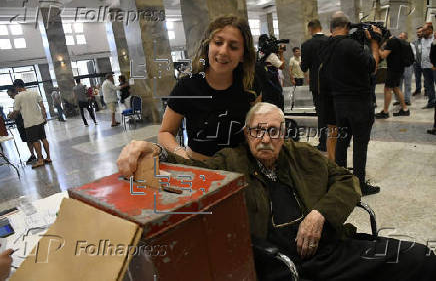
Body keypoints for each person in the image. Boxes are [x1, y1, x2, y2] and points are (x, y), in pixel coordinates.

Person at [117, 102, 436, 281]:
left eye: (273, 131)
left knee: (419, 258)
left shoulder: (303, 155)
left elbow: (347, 181)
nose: (265, 139)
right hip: (283, 263)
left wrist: (320, 212)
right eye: (257, 131)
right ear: (247, 133)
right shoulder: (230, 161)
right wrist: (150, 148)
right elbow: (187, 171)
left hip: (331, 247)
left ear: (284, 134)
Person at [159, 16, 257, 160]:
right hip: (201, 168)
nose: (223, 51)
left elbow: (258, 129)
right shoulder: (186, 87)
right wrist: (182, 154)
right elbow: (165, 132)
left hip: (241, 167)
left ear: (243, 55)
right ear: (208, 46)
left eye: (233, 47)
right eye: (218, 42)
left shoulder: (250, 85)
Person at [320, 12, 380, 195]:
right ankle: (359, 185)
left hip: (339, 103)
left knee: (341, 143)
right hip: (359, 103)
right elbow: (373, 66)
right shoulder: (351, 46)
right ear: (347, 26)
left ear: (332, 28)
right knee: (360, 145)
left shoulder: (326, 46)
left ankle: (341, 182)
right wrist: (375, 42)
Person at [8, 79, 51, 169]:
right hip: (39, 121)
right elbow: (42, 106)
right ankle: (48, 157)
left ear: (16, 87)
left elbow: (16, 112)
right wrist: (44, 117)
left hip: (29, 122)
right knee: (43, 139)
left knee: (35, 141)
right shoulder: (34, 92)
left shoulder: (18, 97)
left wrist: (10, 116)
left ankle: (40, 160)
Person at [301, 19, 329, 152]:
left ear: (310, 29)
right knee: (334, 112)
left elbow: (304, 67)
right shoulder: (330, 41)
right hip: (333, 83)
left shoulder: (307, 44)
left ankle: (323, 143)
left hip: (317, 85)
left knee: (322, 114)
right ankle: (339, 140)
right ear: (321, 27)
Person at [375, 33, 411, 119]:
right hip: (399, 69)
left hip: (393, 70)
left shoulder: (391, 42)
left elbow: (383, 55)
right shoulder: (398, 42)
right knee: (396, 88)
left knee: (387, 88)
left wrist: (376, 47)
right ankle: (405, 110)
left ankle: (385, 112)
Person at [6, 87, 36, 164]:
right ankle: (33, 155)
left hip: (24, 123)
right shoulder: (17, 100)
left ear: (15, 92)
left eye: (11, 95)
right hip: (21, 123)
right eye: (9, 96)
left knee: (31, 140)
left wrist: (11, 115)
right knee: (28, 140)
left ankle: (37, 155)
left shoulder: (19, 99)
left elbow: (18, 112)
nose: (10, 97)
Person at [257, 33, 285, 110]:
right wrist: (281, 54)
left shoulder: (258, 53)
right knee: (277, 104)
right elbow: (282, 66)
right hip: (273, 86)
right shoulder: (271, 55)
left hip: (263, 87)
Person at [420, 23, 436, 108]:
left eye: (424, 30)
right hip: (425, 66)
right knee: (429, 85)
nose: (422, 32)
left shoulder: (435, 38)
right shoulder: (423, 39)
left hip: (434, 66)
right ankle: (431, 102)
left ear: (430, 30)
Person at [395, 32, 413, 106]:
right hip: (398, 67)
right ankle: (399, 100)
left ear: (406, 38)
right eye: (399, 37)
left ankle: (407, 100)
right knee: (398, 84)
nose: (400, 39)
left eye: (401, 37)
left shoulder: (410, 45)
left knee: (407, 84)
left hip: (407, 67)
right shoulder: (396, 46)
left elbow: (413, 56)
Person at [412, 27, 424, 96]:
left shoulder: (427, 41)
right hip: (417, 63)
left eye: (419, 32)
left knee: (426, 78)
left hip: (425, 63)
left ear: (423, 32)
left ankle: (426, 90)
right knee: (417, 77)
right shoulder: (415, 42)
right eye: (417, 32)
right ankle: (418, 89)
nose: (418, 34)